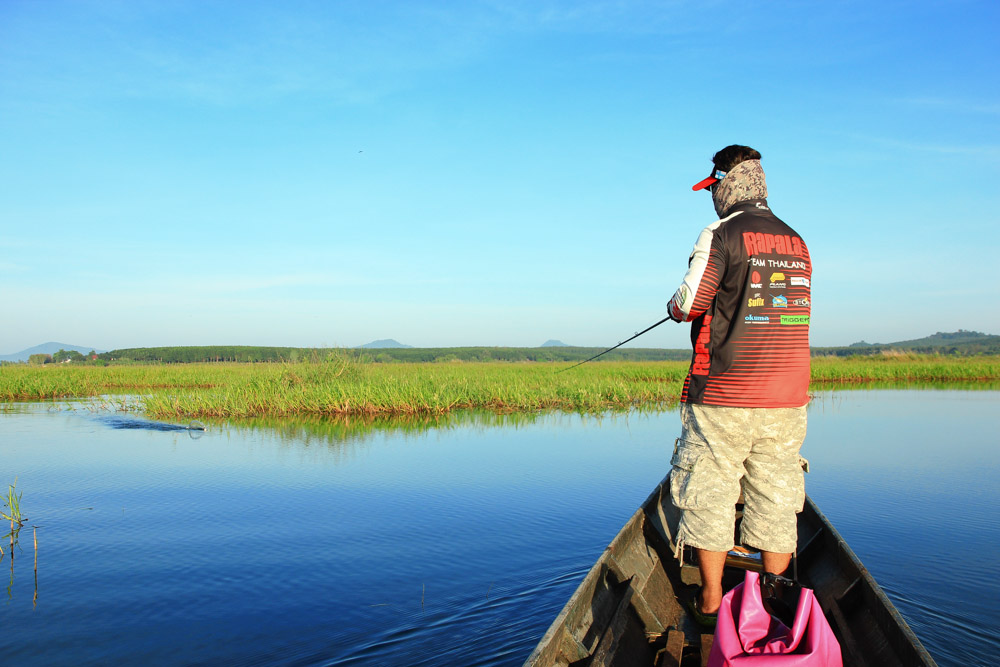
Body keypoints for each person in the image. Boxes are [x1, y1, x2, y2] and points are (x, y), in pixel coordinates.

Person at [665, 145, 812, 624]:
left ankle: (710, 602)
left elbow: (689, 302)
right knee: (775, 495)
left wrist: (673, 304)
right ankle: (772, 607)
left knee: (708, 490)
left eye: (713, 189)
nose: (711, 199)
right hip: (787, 399)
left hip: (725, 393)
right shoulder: (797, 240)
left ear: (727, 183)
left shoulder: (721, 233)